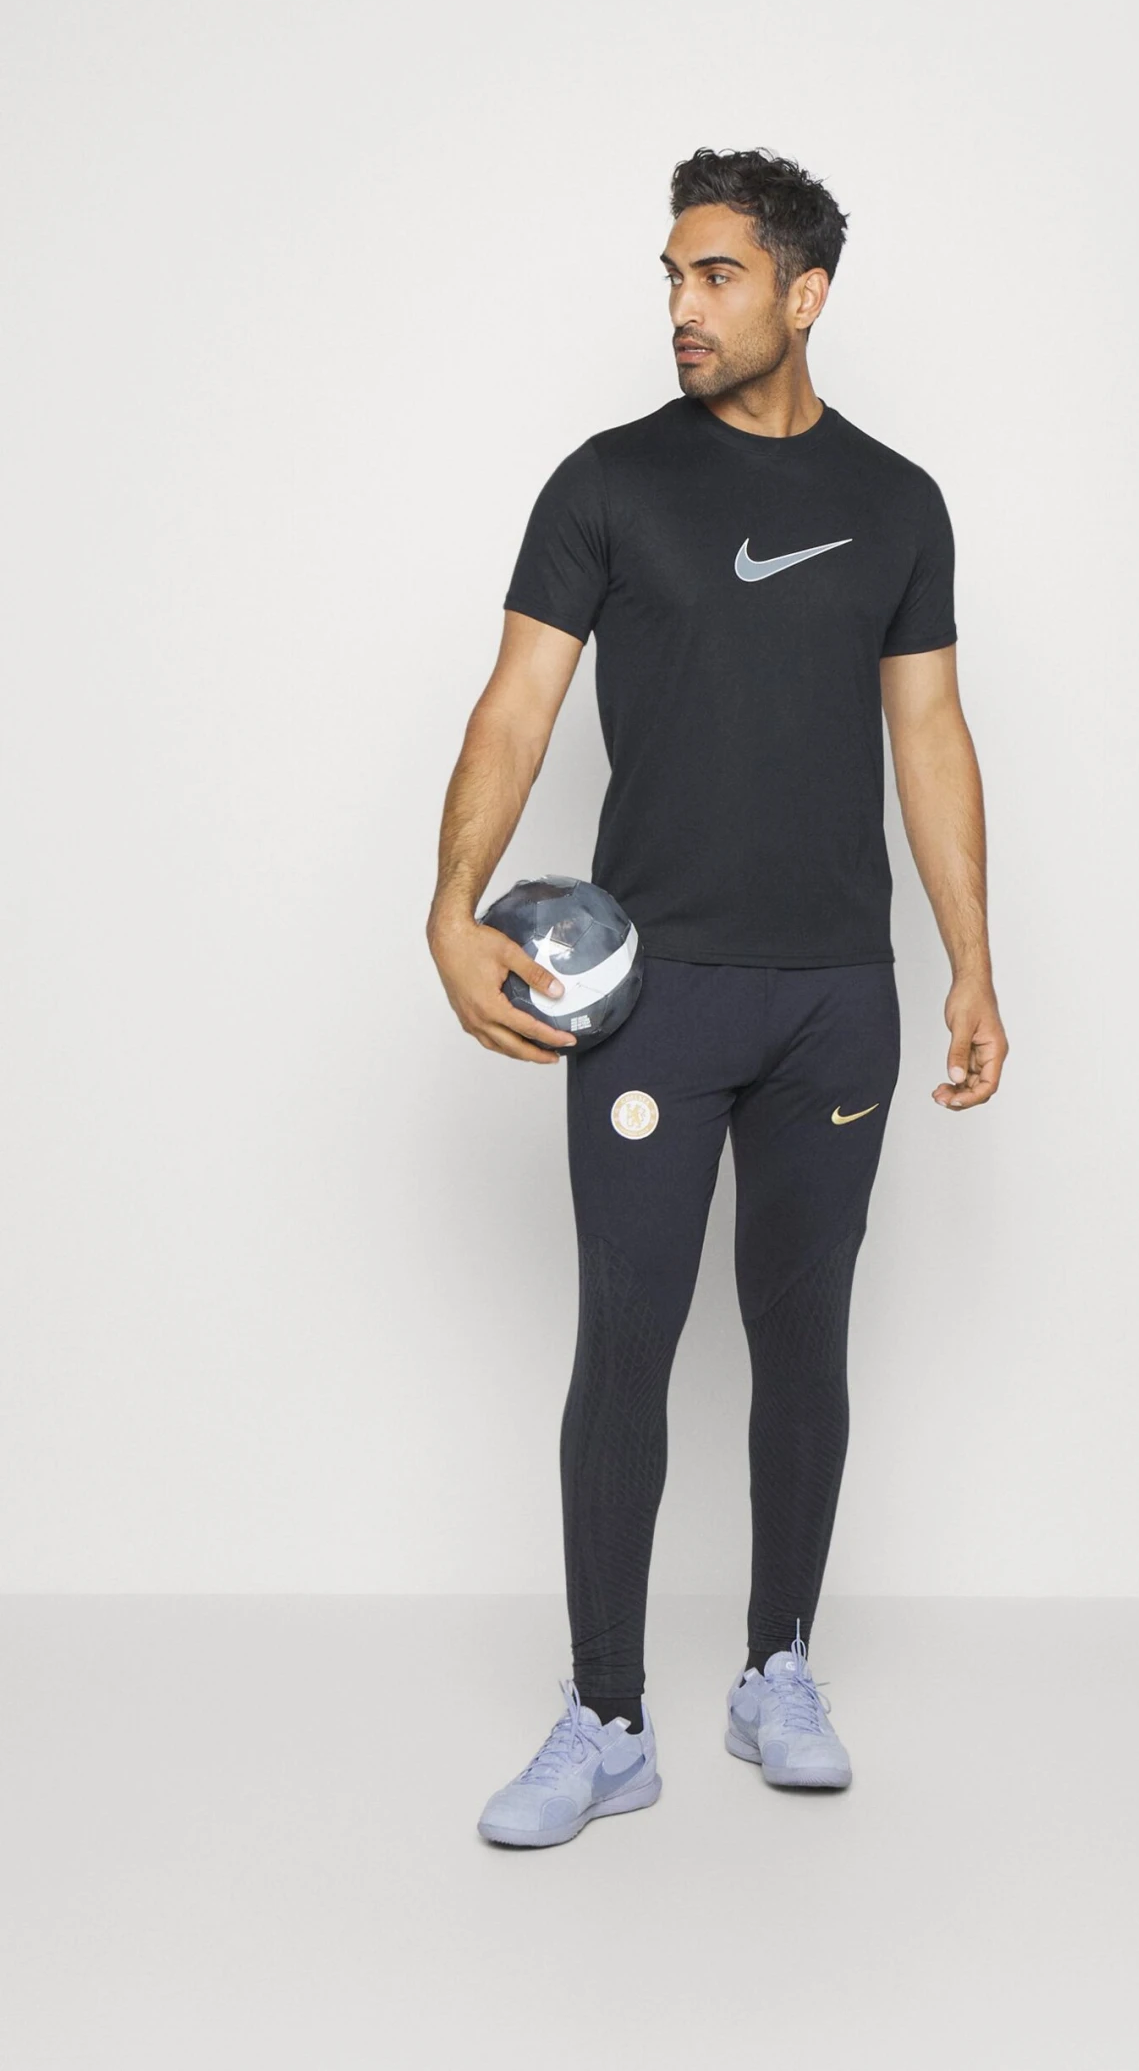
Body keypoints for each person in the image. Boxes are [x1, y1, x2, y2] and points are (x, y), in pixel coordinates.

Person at [426, 146, 1008, 1847]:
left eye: (718, 275)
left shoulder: (899, 501)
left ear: (805, 295)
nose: (682, 306)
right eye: (672, 276)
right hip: (654, 1002)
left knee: (802, 1334)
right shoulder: (609, 483)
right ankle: (606, 1716)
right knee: (624, 1337)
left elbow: (931, 733)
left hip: (835, 999)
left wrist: (972, 959)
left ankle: (779, 1667)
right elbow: (515, 706)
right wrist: (450, 910)